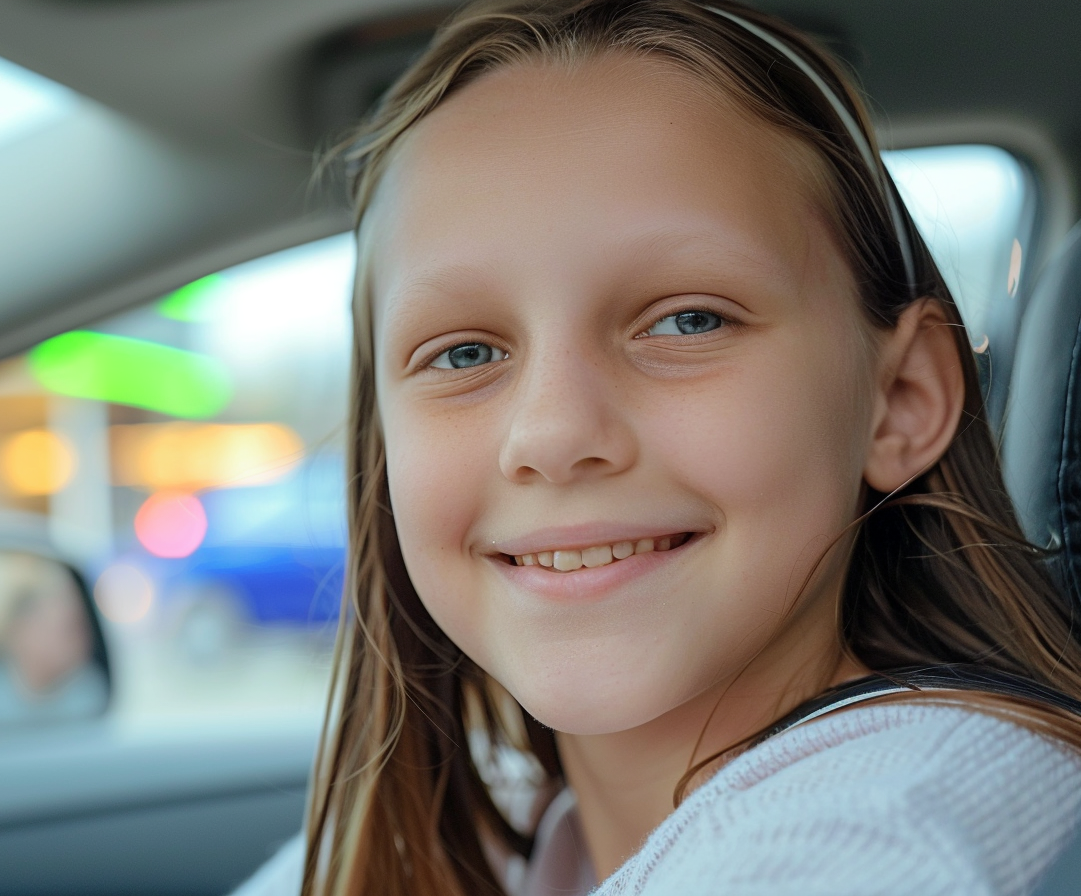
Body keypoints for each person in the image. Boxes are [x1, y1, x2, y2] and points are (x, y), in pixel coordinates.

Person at [234, 1, 1081, 893]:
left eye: (686, 320)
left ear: (900, 402)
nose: (554, 435)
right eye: (467, 353)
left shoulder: (885, 837)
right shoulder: (507, 821)